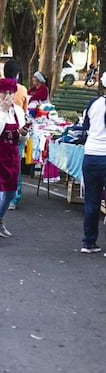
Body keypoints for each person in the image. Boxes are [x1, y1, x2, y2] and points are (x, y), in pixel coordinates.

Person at [0, 78, 29, 247]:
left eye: (11, 93)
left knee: (11, 192)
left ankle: (0, 219)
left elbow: (23, 138)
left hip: (12, 153)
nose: (8, 96)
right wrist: (2, 111)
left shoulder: (17, 110)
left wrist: (23, 132)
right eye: (5, 93)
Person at [0, 59, 28, 209]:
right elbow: (24, 111)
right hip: (15, 130)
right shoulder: (22, 90)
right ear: (17, 75)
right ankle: (13, 198)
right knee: (15, 164)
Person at [80, 72, 106, 253]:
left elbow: (85, 128)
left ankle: (88, 242)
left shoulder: (94, 104)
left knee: (91, 202)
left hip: (91, 156)